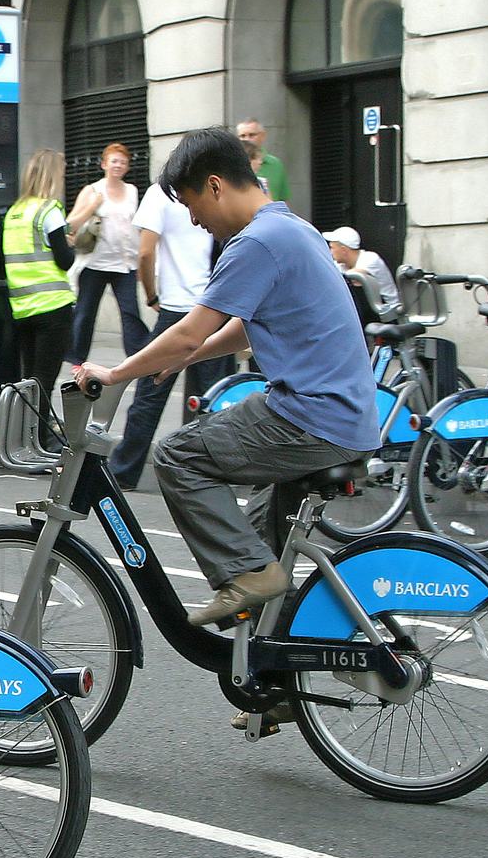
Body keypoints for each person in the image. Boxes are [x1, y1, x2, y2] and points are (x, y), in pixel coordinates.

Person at [76, 127, 377, 642]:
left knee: (178, 455)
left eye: (192, 205)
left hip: (309, 415)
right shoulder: (292, 227)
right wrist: (183, 356)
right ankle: (276, 678)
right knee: (261, 536)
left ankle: (248, 575)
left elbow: (192, 327)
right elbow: (238, 325)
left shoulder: (256, 242)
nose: (193, 220)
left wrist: (117, 373)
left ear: (214, 186)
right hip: (342, 415)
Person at [106, 180, 234, 490]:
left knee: (151, 391)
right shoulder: (218, 190)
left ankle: (124, 470)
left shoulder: (159, 194)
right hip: (214, 305)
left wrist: (151, 295)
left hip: (176, 306)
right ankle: (203, 468)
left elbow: (146, 253)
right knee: (210, 398)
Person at [3, 149, 75, 435]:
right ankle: (41, 440)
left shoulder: (14, 213)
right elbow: (64, 260)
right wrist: (70, 244)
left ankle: (23, 436)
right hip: (53, 306)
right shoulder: (50, 211)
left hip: (22, 307)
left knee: (29, 379)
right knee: (45, 379)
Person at [65, 142, 149, 365]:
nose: (118, 165)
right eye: (114, 161)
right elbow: (70, 225)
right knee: (85, 313)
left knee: (130, 312)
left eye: (123, 162)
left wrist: (141, 258)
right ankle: (76, 358)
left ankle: (138, 355)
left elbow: (136, 227)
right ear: (104, 164)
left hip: (125, 264)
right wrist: (91, 206)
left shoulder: (132, 191)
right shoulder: (92, 190)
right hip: (96, 263)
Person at [323, 226, 398, 313]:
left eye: (332, 248)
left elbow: (355, 278)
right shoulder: (341, 265)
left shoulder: (370, 258)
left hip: (388, 312)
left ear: (343, 250)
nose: (330, 251)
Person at [236, 118, 289, 201]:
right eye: (242, 136)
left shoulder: (276, 164)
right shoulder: (230, 165)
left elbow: (283, 199)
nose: (247, 139)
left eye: (252, 135)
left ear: (263, 136)